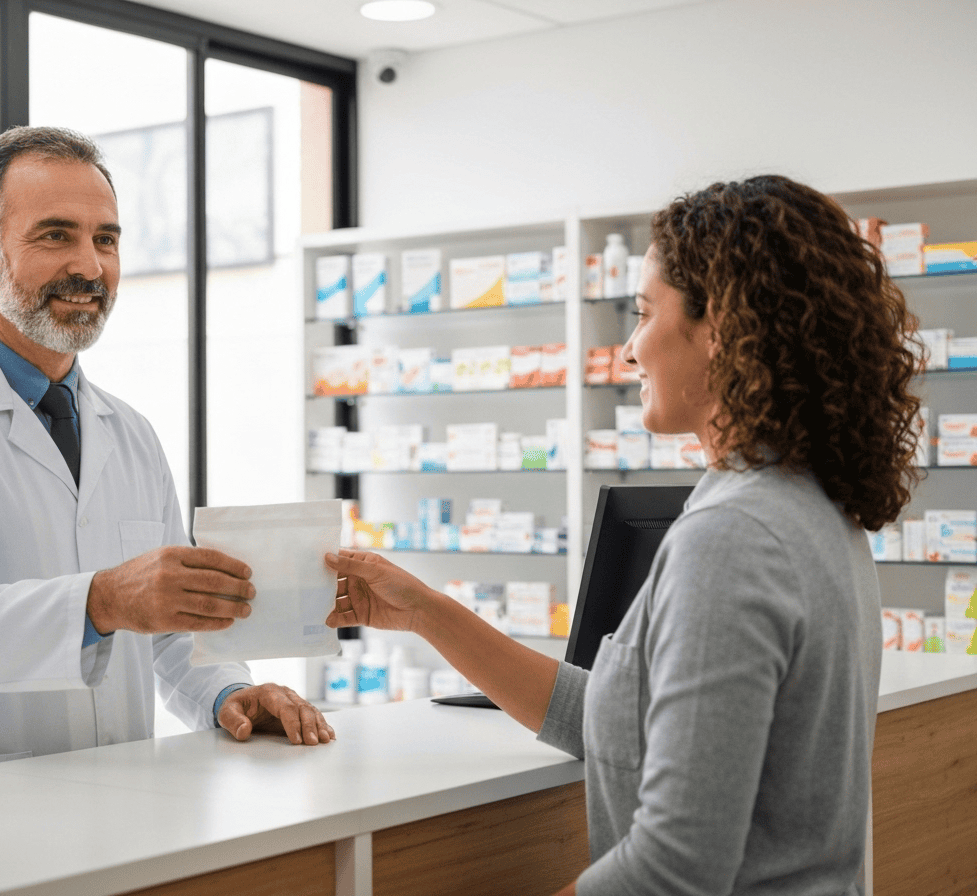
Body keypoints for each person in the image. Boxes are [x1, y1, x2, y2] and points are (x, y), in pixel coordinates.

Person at [327, 175, 921, 895]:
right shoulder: (800, 500)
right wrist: (422, 611)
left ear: (722, 330)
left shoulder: (732, 536)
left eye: (643, 315)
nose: (631, 350)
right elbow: (612, 722)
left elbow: (674, 867)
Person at [0, 126, 333, 784]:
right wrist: (101, 601)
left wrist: (225, 694)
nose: (90, 266)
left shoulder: (129, 433)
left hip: (112, 797)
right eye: (56, 235)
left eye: (106, 238)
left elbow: (167, 633)